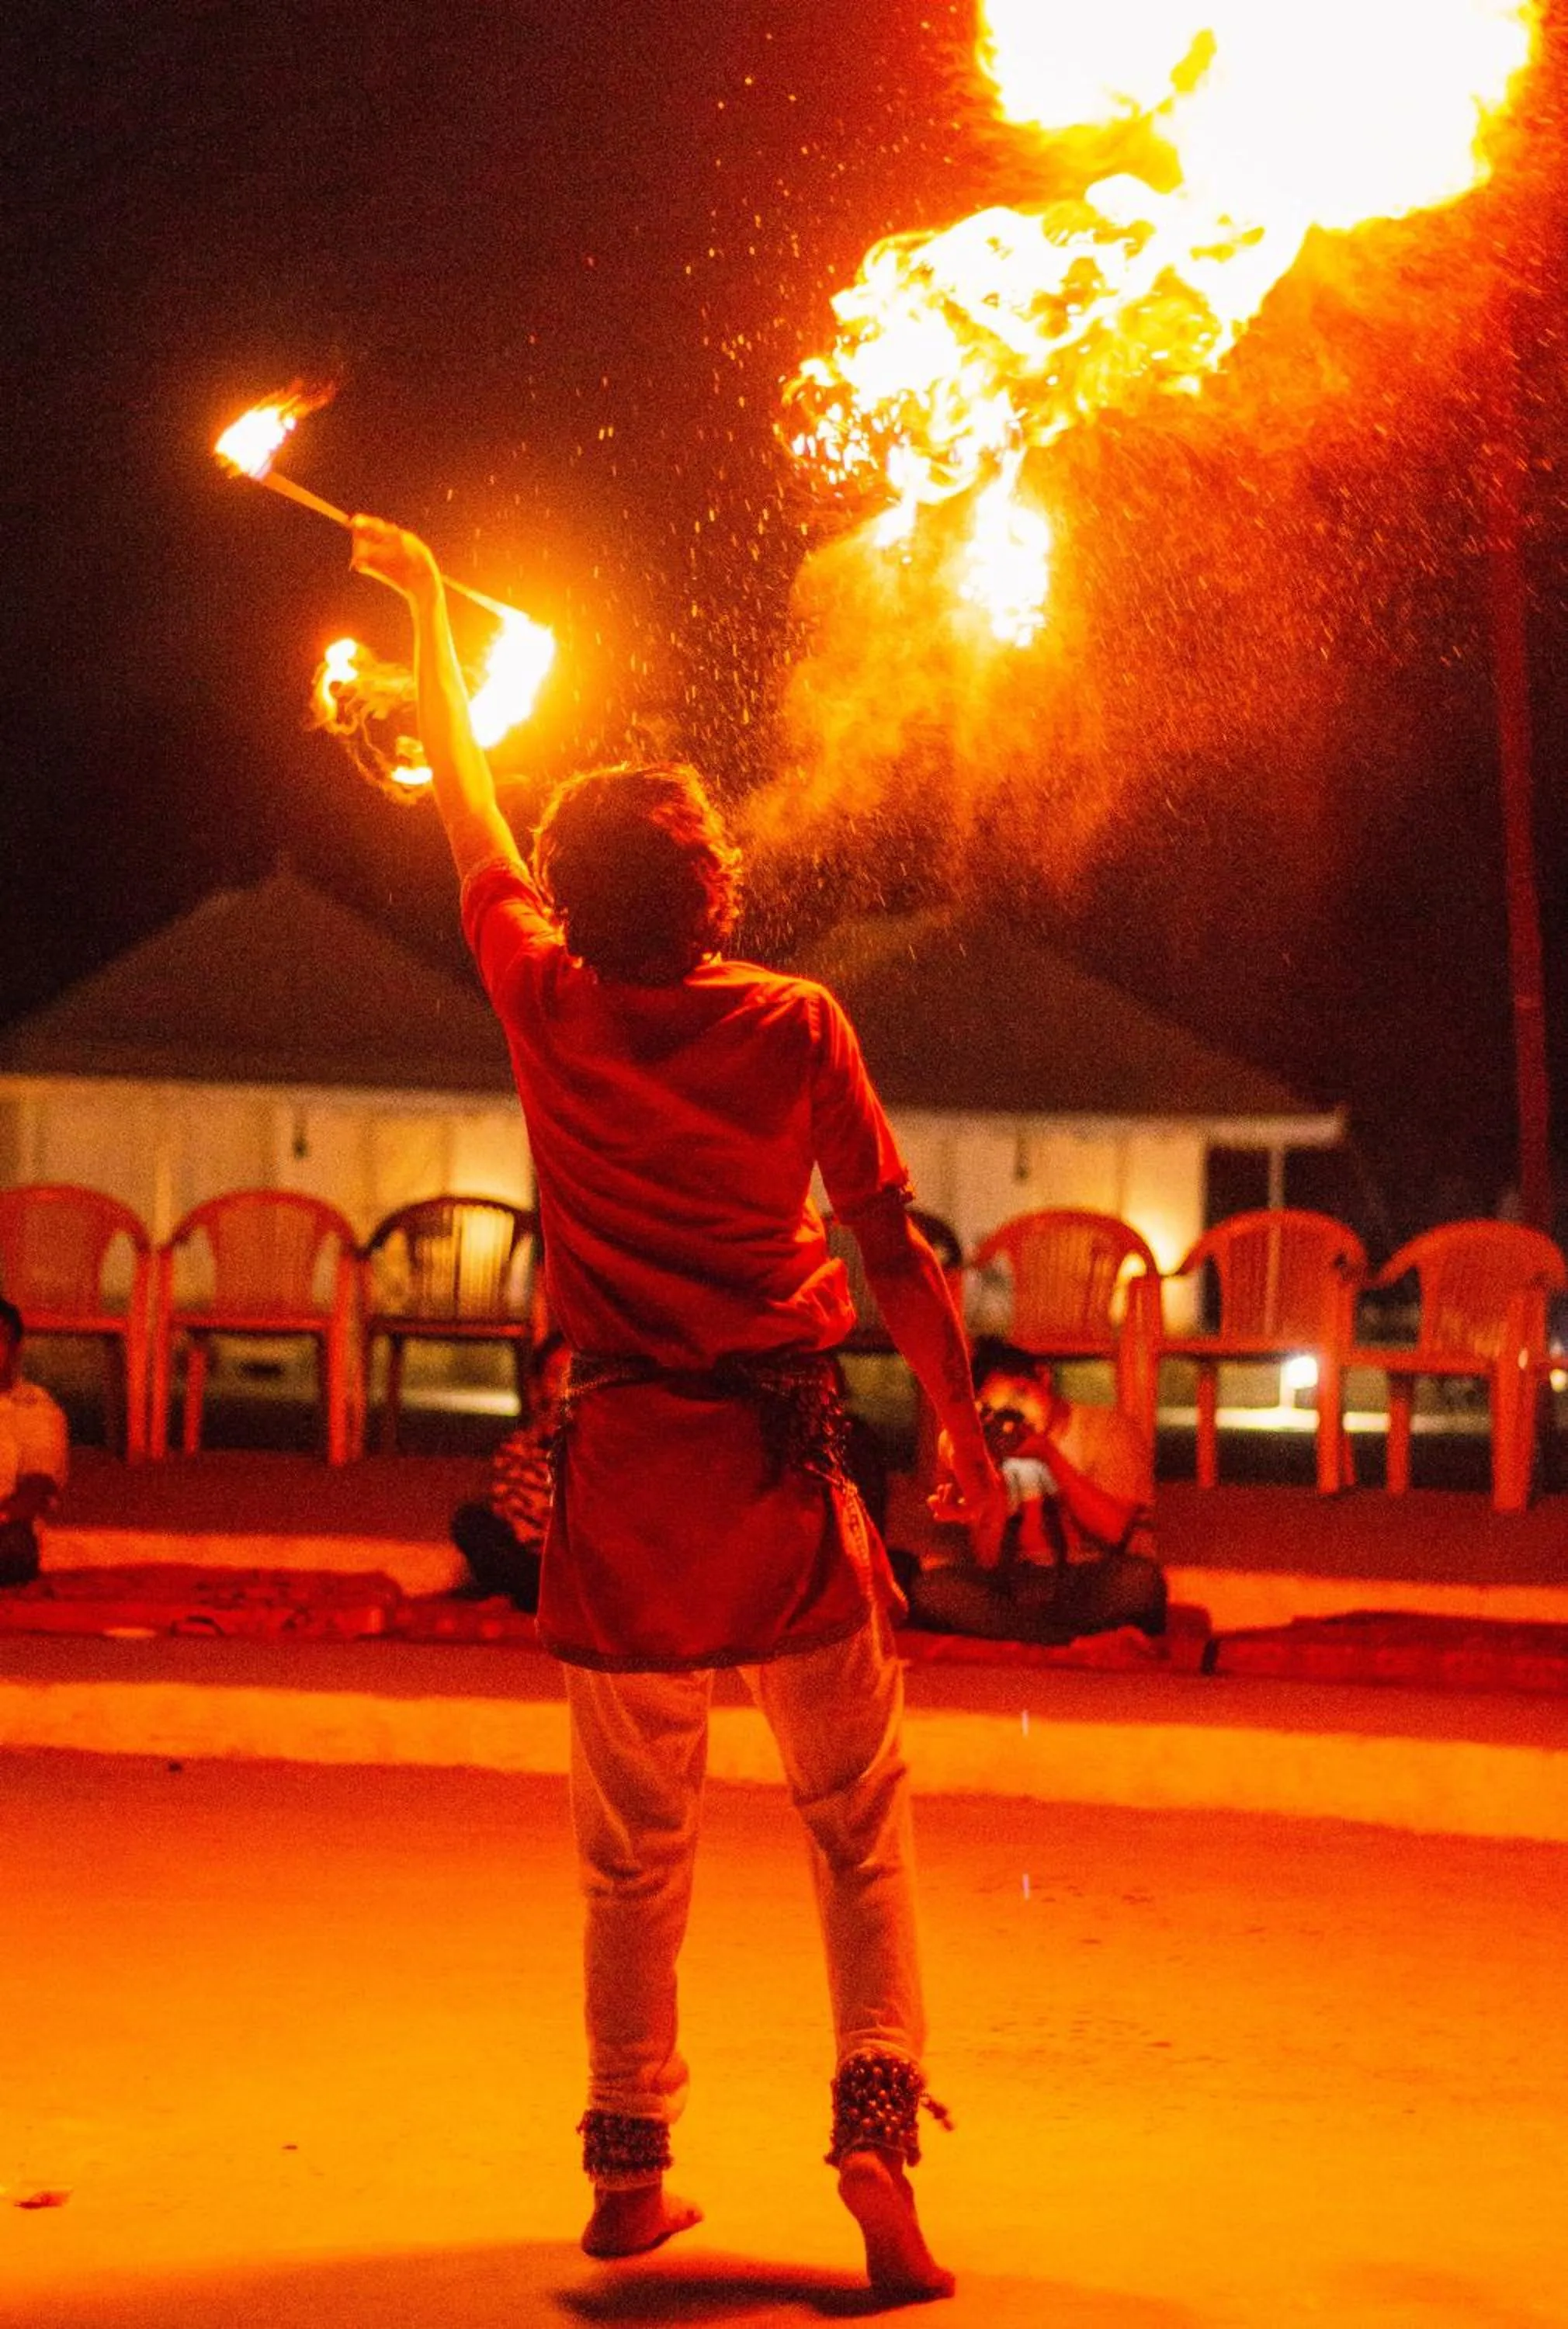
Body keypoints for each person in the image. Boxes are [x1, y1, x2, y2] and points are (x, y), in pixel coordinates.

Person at [349, 514, 1007, 2301]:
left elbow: (460, 810)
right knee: (853, 1812)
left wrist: (423, 609)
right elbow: (893, 1261)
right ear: (712, 890)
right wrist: (959, 1433)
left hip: (626, 1475)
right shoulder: (796, 1023)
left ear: (575, 903)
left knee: (632, 1853)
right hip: (778, 1473)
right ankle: (876, 2131)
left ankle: (629, 2173)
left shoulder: (540, 994)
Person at [918, 1338, 1165, 1645]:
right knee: (932, 1590)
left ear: (1042, 1378)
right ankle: (1060, 1640)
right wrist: (983, 1475)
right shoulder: (991, 1449)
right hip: (1016, 1582)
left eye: (1019, 1397)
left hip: (1088, 1578)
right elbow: (987, 1557)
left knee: (1140, 1584)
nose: (1013, 1415)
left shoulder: (1106, 1429)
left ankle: (1031, 1636)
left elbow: (1114, 1531)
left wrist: (1048, 1455)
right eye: (998, 1410)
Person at [449, 1335, 570, 1610]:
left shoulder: (595, 1446)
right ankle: (528, 1592)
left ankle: (529, 1594)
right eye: (554, 1376)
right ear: (538, 1387)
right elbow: (506, 1506)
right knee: (470, 1520)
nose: (563, 1387)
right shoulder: (518, 1447)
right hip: (526, 1559)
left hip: (568, 1564)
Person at [0, 1298, 68, 1588]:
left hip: (4, 1526)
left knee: (13, 1547)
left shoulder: (35, 1409)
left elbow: (37, 1487)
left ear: (14, 1349)